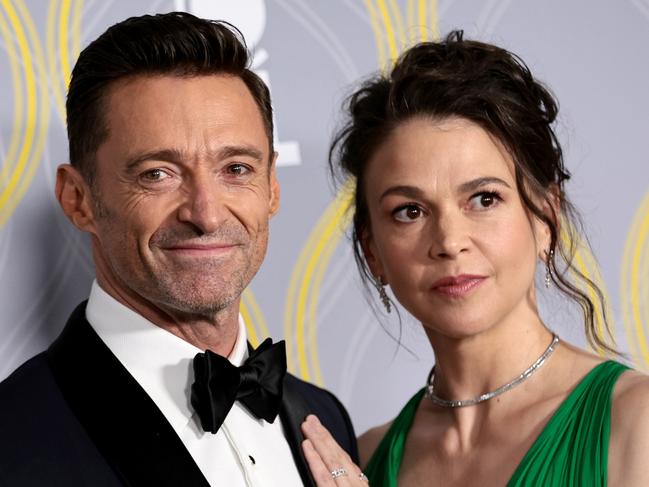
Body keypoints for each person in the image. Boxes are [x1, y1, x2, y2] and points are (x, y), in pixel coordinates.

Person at [0, 12, 358, 487]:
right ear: (78, 199)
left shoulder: (325, 418)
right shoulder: (12, 438)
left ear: (271, 186)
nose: (206, 214)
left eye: (236, 169)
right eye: (157, 174)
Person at [300, 31, 649, 486]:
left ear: (545, 217)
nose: (449, 240)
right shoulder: (361, 459)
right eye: (410, 211)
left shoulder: (636, 423)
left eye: (484, 199)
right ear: (373, 252)